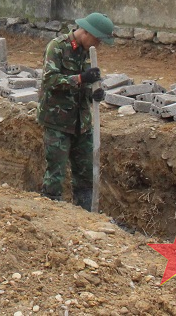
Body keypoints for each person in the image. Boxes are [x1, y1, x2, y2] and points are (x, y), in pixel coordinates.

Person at [37, 12, 114, 211]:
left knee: (85, 174)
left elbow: (88, 84)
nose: (98, 45)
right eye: (97, 39)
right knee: (56, 173)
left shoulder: (88, 52)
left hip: (82, 123)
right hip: (58, 121)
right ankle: (51, 213)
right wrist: (80, 78)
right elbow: (50, 81)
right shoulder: (58, 47)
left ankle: (85, 215)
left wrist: (94, 92)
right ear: (86, 32)